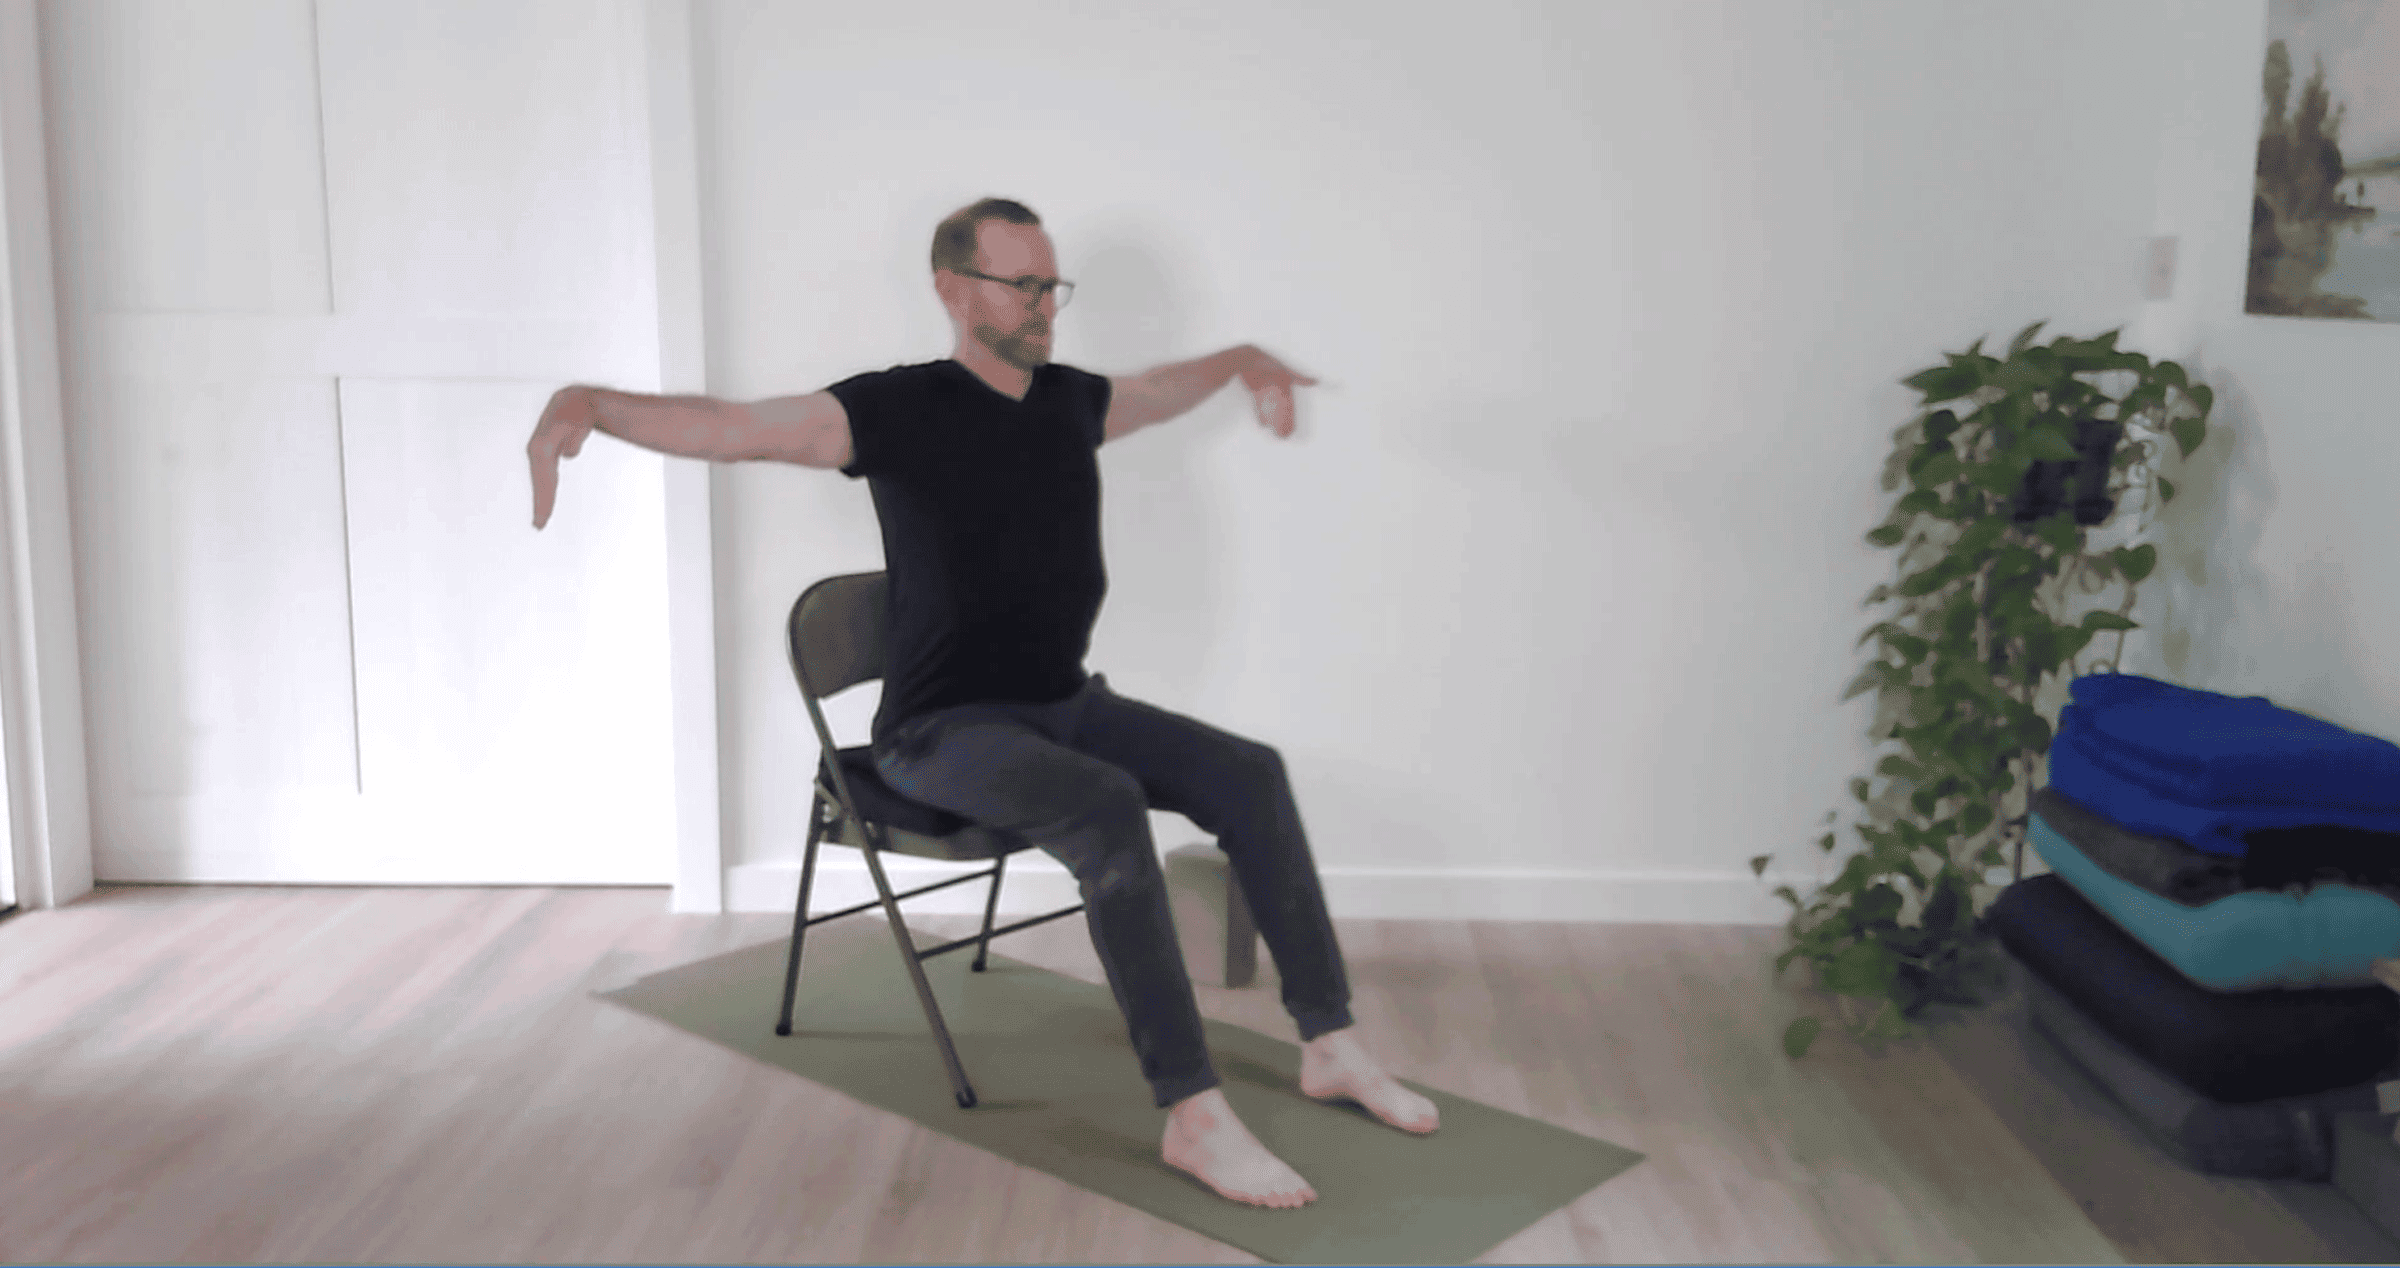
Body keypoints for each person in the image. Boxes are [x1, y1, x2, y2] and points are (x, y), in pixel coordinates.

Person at [524, 197, 1437, 1209]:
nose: (1046, 304)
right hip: (939, 733)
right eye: (1023, 283)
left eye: (1053, 284)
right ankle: (1193, 1114)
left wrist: (1239, 357)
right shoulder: (895, 409)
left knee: (1248, 772)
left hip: (1066, 703)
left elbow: (1156, 389)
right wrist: (592, 401)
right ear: (955, 288)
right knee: (1103, 806)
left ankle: (1332, 1039)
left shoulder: (1066, 401)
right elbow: (738, 428)